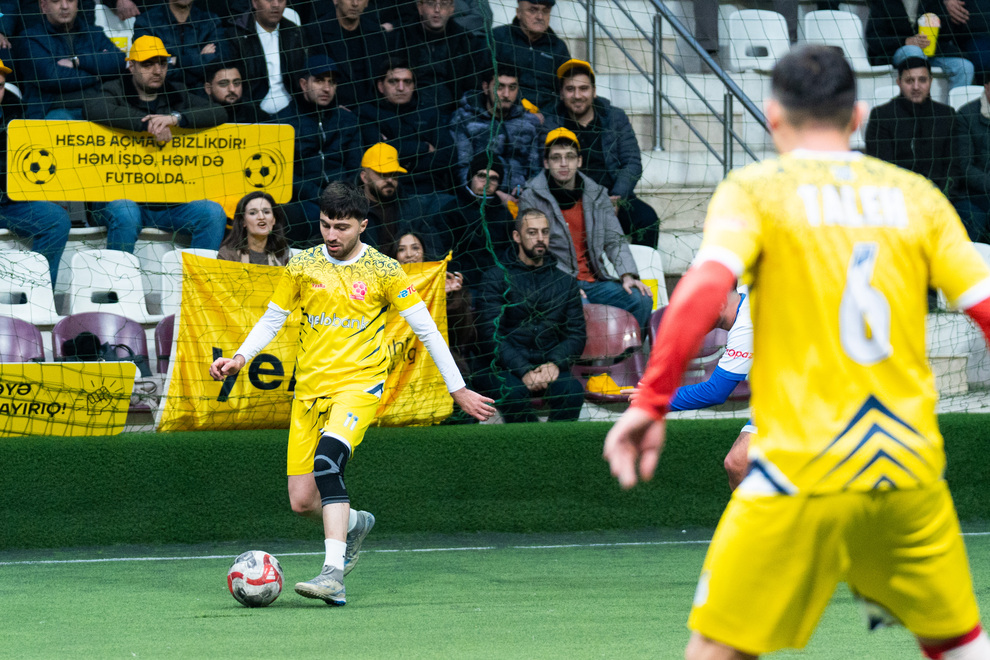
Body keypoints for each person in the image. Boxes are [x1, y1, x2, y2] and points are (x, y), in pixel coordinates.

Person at [603, 45, 990, 659]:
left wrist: (651, 402)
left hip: (797, 470)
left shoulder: (756, 191)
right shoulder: (917, 197)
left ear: (772, 116)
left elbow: (702, 290)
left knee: (716, 651)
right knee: (959, 646)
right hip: (903, 468)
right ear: (858, 117)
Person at [209, 181, 495, 606]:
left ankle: (333, 576)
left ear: (362, 224)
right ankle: (356, 523)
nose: (331, 234)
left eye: (341, 227)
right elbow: (272, 318)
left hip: (358, 387)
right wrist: (240, 357)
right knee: (302, 502)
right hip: (309, 393)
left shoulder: (384, 270)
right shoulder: (303, 264)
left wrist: (458, 389)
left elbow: (428, 330)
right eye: (325, 224)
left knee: (328, 464)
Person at [84, 36, 228, 253]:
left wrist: (175, 118)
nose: (157, 70)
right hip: (120, 199)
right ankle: (118, 276)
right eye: (147, 64)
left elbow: (218, 112)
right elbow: (93, 108)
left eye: (162, 63)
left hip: (169, 203)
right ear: (131, 66)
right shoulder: (114, 89)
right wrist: (146, 124)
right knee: (126, 212)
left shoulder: (176, 91)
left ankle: (198, 275)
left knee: (213, 213)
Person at [519, 128, 652, 332]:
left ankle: (627, 352)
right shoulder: (531, 197)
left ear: (579, 161)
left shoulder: (597, 194)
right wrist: (563, 284)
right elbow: (532, 250)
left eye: (570, 157)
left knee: (640, 299)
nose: (564, 163)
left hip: (596, 282)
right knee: (580, 310)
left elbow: (614, 239)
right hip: (555, 282)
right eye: (556, 158)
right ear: (546, 163)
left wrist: (627, 275)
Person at [474, 208, 586, 423]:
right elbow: (490, 334)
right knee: (513, 395)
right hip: (503, 366)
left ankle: (557, 442)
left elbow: (576, 334)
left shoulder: (565, 281)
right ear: (517, 236)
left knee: (572, 392)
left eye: (545, 232)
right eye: (532, 232)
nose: (540, 238)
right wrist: (524, 370)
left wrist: (554, 364)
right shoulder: (495, 277)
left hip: (548, 363)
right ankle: (533, 442)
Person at [543, 59, 659, 248]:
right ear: (562, 94)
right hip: (569, 198)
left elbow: (632, 162)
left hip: (612, 195)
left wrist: (617, 198)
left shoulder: (615, 118)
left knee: (647, 219)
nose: (577, 95)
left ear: (594, 91)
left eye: (583, 89)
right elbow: (543, 165)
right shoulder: (551, 122)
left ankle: (640, 267)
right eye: (570, 89)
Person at [0, 57, 70, 288]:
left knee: (56, 219)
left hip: (9, 203)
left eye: (0, 86)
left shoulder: (15, 112)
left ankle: (36, 295)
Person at [277, 55, 362, 243]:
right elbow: (285, 174)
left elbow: (355, 165)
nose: (326, 88)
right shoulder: (283, 122)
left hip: (344, 199)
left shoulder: (347, 119)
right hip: (303, 200)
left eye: (332, 82)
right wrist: (320, 196)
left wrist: (343, 195)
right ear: (303, 84)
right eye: (319, 80)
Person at [865, 47, 959, 196]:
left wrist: (940, 196)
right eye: (909, 81)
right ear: (899, 82)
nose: (916, 87)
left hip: (938, 196)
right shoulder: (882, 116)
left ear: (930, 81)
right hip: (896, 196)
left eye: (922, 80)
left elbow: (953, 166)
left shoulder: (946, 115)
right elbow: (881, 168)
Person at [357, 59, 457, 196]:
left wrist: (407, 163)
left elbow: (449, 156)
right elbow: (376, 153)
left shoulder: (429, 113)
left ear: (414, 85)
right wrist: (423, 147)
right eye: (393, 81)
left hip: (430, 188)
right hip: (388, 189)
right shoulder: (367, 113)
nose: (401, 88)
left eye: (407, 82)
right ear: (381, 86)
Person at [17, 0, 127, 119]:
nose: (64, 6)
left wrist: (77, 61)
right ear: (43, 6)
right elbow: (52, 78)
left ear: (77, 4)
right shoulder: (30, 38)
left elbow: (119, 61)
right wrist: (98, 75)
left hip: (100, 108)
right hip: (54, 110)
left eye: (70, 0)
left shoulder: (94, 33)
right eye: (56, 1)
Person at [450, 65, 542, 202]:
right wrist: (497, 197)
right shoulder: (464, 119)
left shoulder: (529, 123)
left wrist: (525, 191)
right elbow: (462, 168)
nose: (506, 94)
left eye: (512, 88)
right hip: (479, 198)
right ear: (486, 87)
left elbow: (535, 169)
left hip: (523, 199)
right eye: (499, 87)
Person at [391, 231, 476, 375]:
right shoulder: (384, 285)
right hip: (399, 357)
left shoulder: (440, 282)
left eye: (415, 248)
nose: (409, 254)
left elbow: (460, 333)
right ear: (395, 256)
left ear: (424, 252)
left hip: (436, 359)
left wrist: (449, 297)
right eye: (401, 249)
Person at [358, 142, 453, 257]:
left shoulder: (414, 207)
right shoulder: (351, 210)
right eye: (382, 174)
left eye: (394, 174)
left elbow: (434, 250)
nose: (389, 180)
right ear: (364, 177)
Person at [399, 0, 486, 120]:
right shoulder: (400, 37)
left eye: (444, 4)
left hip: (453, 115)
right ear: (420, 7)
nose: (437, 10)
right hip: (406, 112)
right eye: (431, 3)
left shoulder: (466, 42)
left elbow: (473, 87)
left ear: (452, 9)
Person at [224, 0, 307, 119]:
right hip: (250, 113)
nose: (275, 4)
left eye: (281, 0)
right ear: (254, 3)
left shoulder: (295, 33)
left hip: (293, 114)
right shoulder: (236, 34)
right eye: (269, 0)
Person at [866, 0, 973, 89]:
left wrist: (941, 24)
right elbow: (874, 38)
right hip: (897, 51)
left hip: (932, 52)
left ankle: (954, 108)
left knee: (965, 67)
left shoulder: (932, 1)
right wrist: (905, 41)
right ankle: (920, 105)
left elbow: (947, 35)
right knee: (914, 52)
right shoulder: (882, 2)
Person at [305, 0, 393, 109]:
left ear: (367, 3)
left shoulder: (376, 32)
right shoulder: (315, 31)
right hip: (333, 109)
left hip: (374, 108)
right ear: (335, 1)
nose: (355, 3)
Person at [445, 153, 516, 287]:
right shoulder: (451, 211)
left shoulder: (504, 215)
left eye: (493, 178)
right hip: (461, 282)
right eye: (482, 176)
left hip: (498, 282)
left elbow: (510, 252)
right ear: (471, 177)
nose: (487, 183)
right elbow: (444, 252)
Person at [491, 0, 569, 114]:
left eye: (545, 11)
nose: (540, 17)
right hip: (505, 112)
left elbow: (566, 89)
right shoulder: (498, 38)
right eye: (533, 10)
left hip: (548, 115)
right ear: (518, 12)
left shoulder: (558, 47)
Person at [133, 0, 223, 88]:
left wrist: (175, 60)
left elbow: (220, 62)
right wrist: (200, 61)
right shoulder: (146, 21)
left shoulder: (211, 21)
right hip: (163, 90)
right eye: (163, 62)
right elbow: (149, 67)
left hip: (203, 91)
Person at [953, 70, 990, 241]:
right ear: (986, 86)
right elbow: (965, 167)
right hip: (973, 193)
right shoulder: (966, 115)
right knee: (974, 217)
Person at [218, 191, 291, 266]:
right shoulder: (228, 254)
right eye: (253, 213)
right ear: (243, 221)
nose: (261, 217)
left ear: (274, 220)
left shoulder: (284, 254)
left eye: (266, 212)